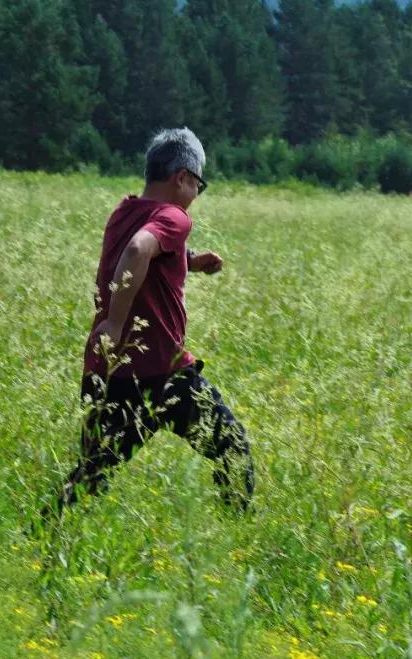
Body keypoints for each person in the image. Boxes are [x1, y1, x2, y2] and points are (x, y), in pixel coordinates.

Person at [48, 128, 254, 517]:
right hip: (158, 374)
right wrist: (115, 322)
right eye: (198, 184)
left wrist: (188, 260)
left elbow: (138, 252)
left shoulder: (123, 211)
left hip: (106, 371)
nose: (196, 194)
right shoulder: (175, 216)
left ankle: (41, 538)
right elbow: (138, 249)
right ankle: (238, 531)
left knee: (89, 479)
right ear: (182, 178)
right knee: (233, 448)